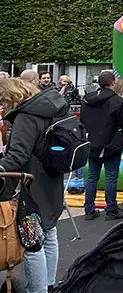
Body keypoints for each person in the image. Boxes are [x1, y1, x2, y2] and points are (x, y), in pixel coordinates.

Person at [0, 79, 69, 293]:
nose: (2, 105)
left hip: (30, 183)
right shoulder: (55, 107)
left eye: (3, 100)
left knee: (31, 243)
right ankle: (48, 284)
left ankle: (38, 290)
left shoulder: (26, 117)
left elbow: (17, 156)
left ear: (13, 96)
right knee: (48, 234)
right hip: (52, 178)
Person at [81, 70, 123, 220]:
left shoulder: (87, 100)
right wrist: (121, 139)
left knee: (91, 177)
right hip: (111, 144)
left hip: (92, 143)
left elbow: (83, 121)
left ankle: (89, 209)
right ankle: (111, 209)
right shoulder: (118, 102)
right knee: (111, 177)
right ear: (113, 84)